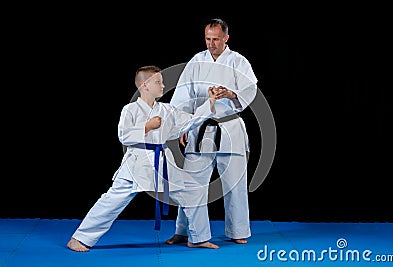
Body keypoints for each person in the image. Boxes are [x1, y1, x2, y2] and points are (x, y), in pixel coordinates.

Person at [66, 65, 220, 252]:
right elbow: (123, 135)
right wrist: (146, 127)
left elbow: (190, 121)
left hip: (162, 161)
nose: (163, 85)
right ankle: (79, 238)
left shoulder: (167, 110)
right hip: (137, 162)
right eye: (158, 82)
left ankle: (198, 238)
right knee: (112, 200)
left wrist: (210, 102)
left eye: (162, 82)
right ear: (144, 85)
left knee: (194, 191)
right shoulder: (130, 109)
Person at [166, 18, 258, 245]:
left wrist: (232, 94)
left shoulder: (238, 61)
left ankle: (238, 231)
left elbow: (250, 88)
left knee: (235, 183)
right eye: (208, 39)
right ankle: (183, 231)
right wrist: (182, 126)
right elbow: (183, 95)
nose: (211, 44)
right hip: (200, 127)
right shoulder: (197, 61)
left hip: (229, 126)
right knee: (191, 183)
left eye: (216, 39)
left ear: (226, 38)